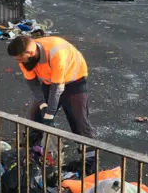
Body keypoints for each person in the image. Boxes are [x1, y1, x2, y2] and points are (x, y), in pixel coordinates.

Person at [7, 35, 95, 167]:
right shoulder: (25, 58)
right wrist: (43, 104)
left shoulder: (56, 53)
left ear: (30, 53)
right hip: (49, 82)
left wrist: (50, 113)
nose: (19, 62)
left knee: (79, 121)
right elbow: (33, 84)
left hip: (74, 81)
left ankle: (90, 162)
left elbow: (57, 88)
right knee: (35, 116)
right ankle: (35, 154)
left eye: (20, 58)